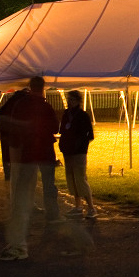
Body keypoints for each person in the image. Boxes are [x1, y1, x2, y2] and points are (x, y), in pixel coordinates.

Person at [0, 77, 60, 261]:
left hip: (21, 158)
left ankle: (18, 247)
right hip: (37, 157)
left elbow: (2, 123)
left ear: (30, 87)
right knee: (26, 200)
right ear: (43, 88)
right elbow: (54, 127)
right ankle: (53, 221)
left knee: (19, 203)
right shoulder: (44, 107)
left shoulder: (21, 104)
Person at [59, 89, 97, 217]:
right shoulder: (66, 114)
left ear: (78, 101)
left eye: (72, 100)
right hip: (67, 151)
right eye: (68, 99)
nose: (69, 102)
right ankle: (78, 206)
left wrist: (80, 145)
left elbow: (89, 135)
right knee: (71, 179)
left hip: (79, 152)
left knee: (80, 179)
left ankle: (91, 208)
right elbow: (63, 131)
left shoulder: (82, 115)